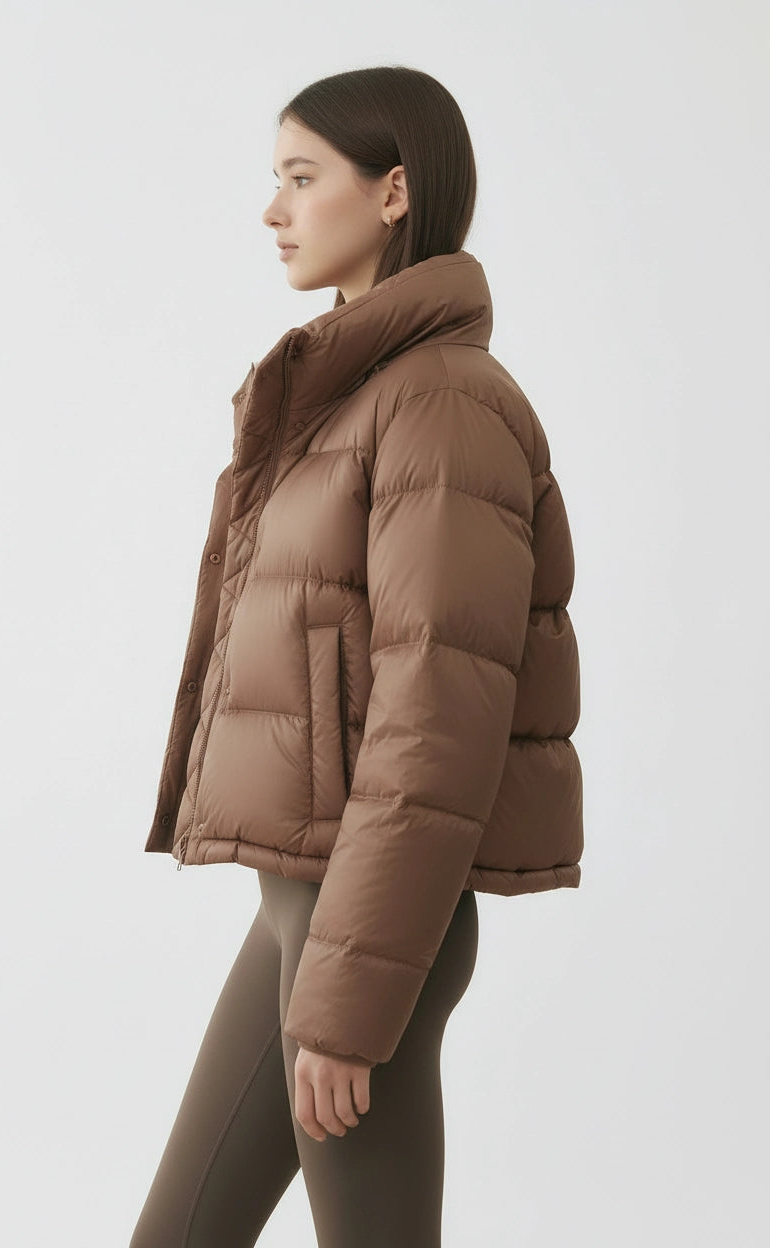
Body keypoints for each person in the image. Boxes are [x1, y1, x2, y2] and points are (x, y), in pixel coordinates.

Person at [130, 65, 583, 1248]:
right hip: (304, 907)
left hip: (369, 922)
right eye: (273, 180)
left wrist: (349, 1002)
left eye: (300, 177)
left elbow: (438, 713)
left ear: (392, 192)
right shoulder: (342, 395)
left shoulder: (442, 404)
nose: (272, 210)